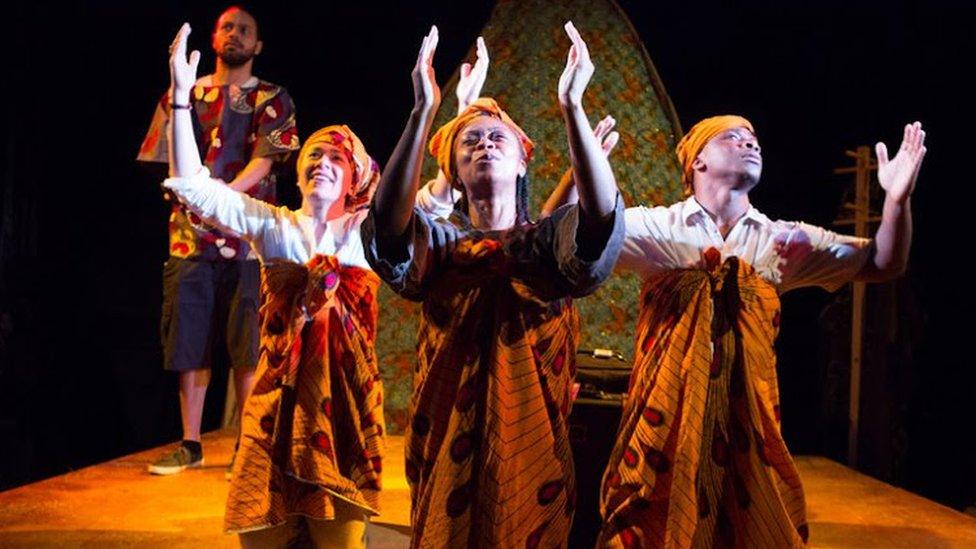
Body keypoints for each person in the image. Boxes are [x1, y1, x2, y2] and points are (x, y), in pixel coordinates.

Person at [595, 115, 926, 547]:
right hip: (666, 435)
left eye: (753, 139)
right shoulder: (661, 228)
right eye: (732, 137)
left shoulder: (781, 240)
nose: (750, 144)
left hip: (746, 433)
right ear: (697, 162)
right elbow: (590, 234)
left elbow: (884, 263)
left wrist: (897, 203)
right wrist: (587, 168)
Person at [362, 24, 624, 547]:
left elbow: (597, 227)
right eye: (470, 142)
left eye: (497, 138)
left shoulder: (547, 246)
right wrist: (423, 113)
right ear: (454, 173)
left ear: (524, 160)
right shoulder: (440, 244)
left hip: (531, 448)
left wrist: (572, 106)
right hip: (444, 445)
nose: (484, 144)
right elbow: (389, 233)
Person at [163, 23, 379, 548]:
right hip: (275, 410)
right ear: (299, 174)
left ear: (355, 179)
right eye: (313, 158)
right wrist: (180, 101)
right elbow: (195, 188)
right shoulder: (275, 225)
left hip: (343, 413)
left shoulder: (370, 233)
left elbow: (436, 198)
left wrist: (439, 108)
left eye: (336, 159)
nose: (322, 164)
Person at [137, 5, 299, 475]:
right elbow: (166, 159)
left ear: (258, 45)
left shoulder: (272, 97)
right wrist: (197, 201)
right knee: (189, 341)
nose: (236, 34)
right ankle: (190, 442)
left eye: (246, 29)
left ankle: (246, 447)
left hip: (246, 236)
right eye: (228, 26)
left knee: (247, 343)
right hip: (189, 239)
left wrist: (219, 198)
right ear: (214, 37)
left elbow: (266, 162)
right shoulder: (182, 95)